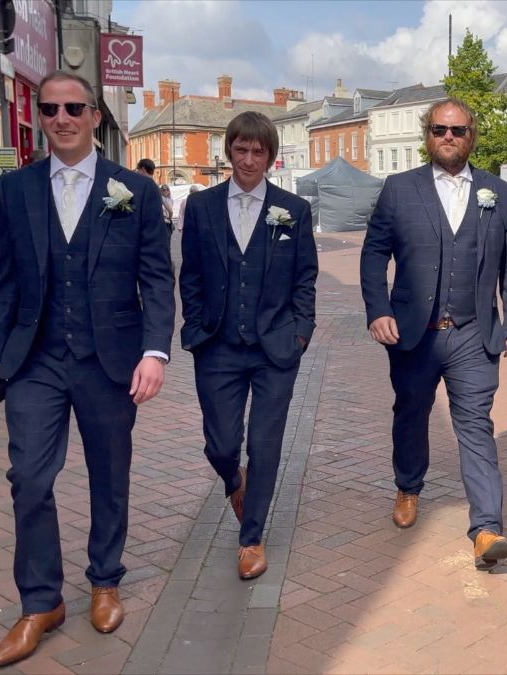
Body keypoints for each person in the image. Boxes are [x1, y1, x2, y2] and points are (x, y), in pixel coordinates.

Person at [0, 71, 174, 667]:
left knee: (109, 474)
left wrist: (155, 351)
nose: (61, 118)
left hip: (110, 359)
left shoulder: (131, 190)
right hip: (34, 360)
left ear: (94, 116)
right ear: (40, 115)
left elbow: (157, 278)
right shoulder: (17, 189)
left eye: (74, 108)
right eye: (51, 108)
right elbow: (7, 280)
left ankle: (106, 579)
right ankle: (41, 602)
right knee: (29, 478)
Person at [360, 97, 507, 568]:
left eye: (456, 130)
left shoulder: (496, 192)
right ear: (427, 136)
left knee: (475, 424)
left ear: (472, 134)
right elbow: (374, 254)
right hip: (414, 334)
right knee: (412, 413)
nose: (448, 137)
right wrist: (378, 309)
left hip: (474, 335)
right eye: (439, 130)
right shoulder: (399, 189)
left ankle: (488, 526)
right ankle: (408, 486)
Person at [180, 111, 318, 581]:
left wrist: (300, 333)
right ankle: (233, 479)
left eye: (259, 151)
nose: (249, 159)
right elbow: (191, 276)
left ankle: (251, 538)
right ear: (229, 151)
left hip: (276, 348)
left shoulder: (293, 211)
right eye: (241, 149)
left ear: (271, 157)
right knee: (221, 444)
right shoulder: (201, 208)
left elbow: (305, 278)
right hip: (217, 346)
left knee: (264, 442)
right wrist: (196, 327)